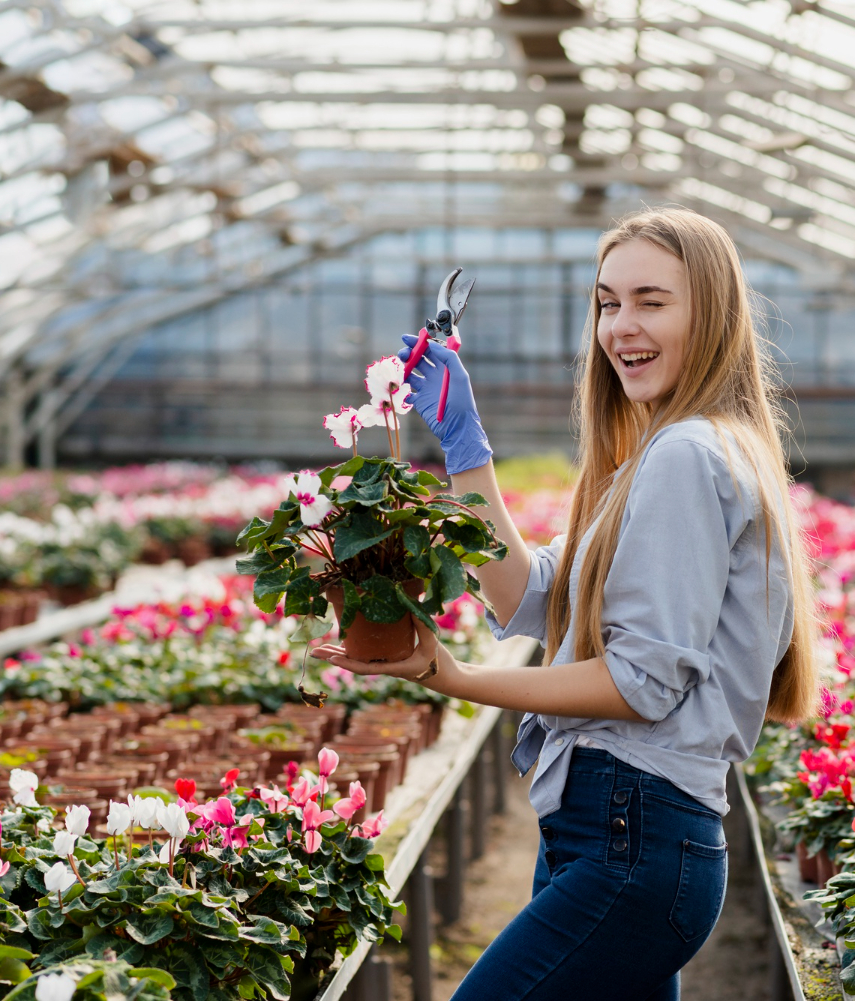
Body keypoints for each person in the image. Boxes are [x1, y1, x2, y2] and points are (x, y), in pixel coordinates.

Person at [314, 207, 819, 1001]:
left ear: (711, 312)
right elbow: (527, 595)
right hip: (619, 834)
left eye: (653, 300)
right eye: (608, 301)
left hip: (634, 836)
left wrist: (452, 676)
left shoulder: (686, 454)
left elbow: (638, 682)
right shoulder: (653, 455)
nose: (622, 325)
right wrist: (466, 451)